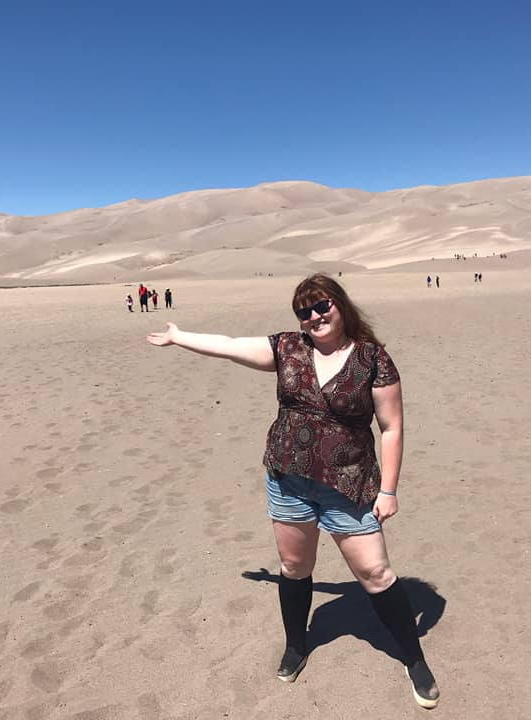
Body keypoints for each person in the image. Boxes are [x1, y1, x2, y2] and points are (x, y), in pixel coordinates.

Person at [145, 274, 439, 709]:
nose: (315, 317)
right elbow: (227, 345)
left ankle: (414, 659)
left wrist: (389, 489)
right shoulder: (287, 348)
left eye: (322, 306)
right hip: (289, 481)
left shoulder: (373, 359)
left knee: (376, 574)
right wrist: (179, 336)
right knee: (294, 566)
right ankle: (296, 645)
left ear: (340, 305)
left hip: (348, 485)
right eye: (304, 311)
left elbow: (391, 428)